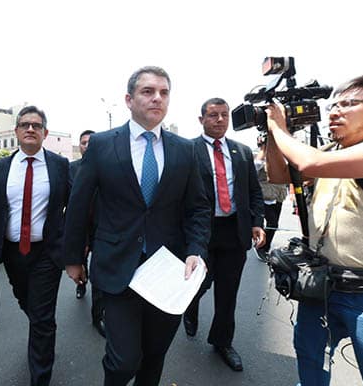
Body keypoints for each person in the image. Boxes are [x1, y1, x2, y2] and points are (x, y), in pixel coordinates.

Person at [64, 66, 211, 386]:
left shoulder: (185, 150)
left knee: (154, 355)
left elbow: (198, 208)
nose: (157, 98)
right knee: (123, 361)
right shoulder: (102, 144)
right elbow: (79, 204)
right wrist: (74, 258)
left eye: (164, 92)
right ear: (129, 100)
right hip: (118, 267)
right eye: (148, 91)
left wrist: (196, 250)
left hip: (168, 271)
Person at [265, 73, 363, 386]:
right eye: (333, 105)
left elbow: (309, 164)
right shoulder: (330, 151)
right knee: (310, 360)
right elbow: (279, 175)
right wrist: (271, 133)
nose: (335, 112)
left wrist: (278, 125)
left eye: (349, 104)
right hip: (321, 286)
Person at [0, 106, 71, 386]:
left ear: (45, 133)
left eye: (36, 126)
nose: (30, 129)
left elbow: (75, 207)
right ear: (16, 131)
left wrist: (74, 245)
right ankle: (42, 329)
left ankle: (40, 376)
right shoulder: (1, 169)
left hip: (47, 254)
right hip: (12, 254)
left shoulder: (60, 166)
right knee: (26, 302)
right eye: (25, 125)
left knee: (41, 318)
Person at [183, 97, 265, 372]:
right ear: (201, 120)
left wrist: (257, 222)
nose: (220, 120)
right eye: (213, 115)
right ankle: (190, 308)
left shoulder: (242, 152)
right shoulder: (187, 150)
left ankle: (222, 342)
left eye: (224, 115)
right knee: (198, 284)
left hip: (234, 232)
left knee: (228, 292)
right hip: (200, 233)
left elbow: (254, 191)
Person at [69, 129, 105, 338]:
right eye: (83, 143)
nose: (87, 146)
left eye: (91, 142)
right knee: (80, 264)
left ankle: (98, 316)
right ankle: (81, 285)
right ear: (79, 146)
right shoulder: (71, 169)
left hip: (102, 228)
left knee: (99, 272)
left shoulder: (108, 167)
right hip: (81, 228)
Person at [253, 135, 288, 262]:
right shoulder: (258, 155)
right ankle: (261, 247)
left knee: (274, 224)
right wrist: (263, 149)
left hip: (278, 195)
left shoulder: (282, 155)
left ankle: (265, 247)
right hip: (265, 196)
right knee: (270, 223)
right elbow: (255, 166)